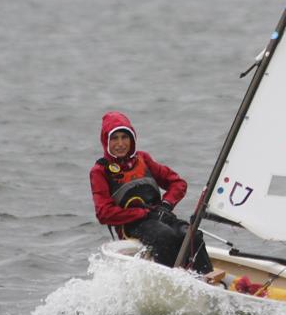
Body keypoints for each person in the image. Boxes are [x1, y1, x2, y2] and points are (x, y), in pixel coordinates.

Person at [89, 111, 212, 274]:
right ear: (106, 141)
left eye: (124, 137)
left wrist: (166, 205)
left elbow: (178, 183)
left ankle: (207, 278)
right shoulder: (100, 171)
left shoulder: (143, 159)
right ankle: (174, 278)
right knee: (165, 236)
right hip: (132, 225)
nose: (120, 144)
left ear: (132, 139)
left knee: (192, 235)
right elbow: (104, 213)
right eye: (114, 138)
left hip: (159, 216)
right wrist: (141, 214)